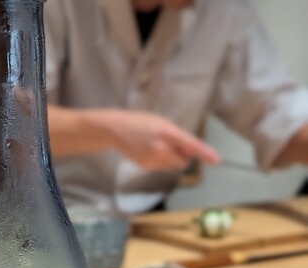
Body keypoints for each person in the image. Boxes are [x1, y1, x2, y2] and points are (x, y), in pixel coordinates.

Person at [44, 0, 308, 213]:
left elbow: (281, 112)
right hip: (46, 215)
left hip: (148, 221)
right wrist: (112, 130)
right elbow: (19, 125)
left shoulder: (224, 10)